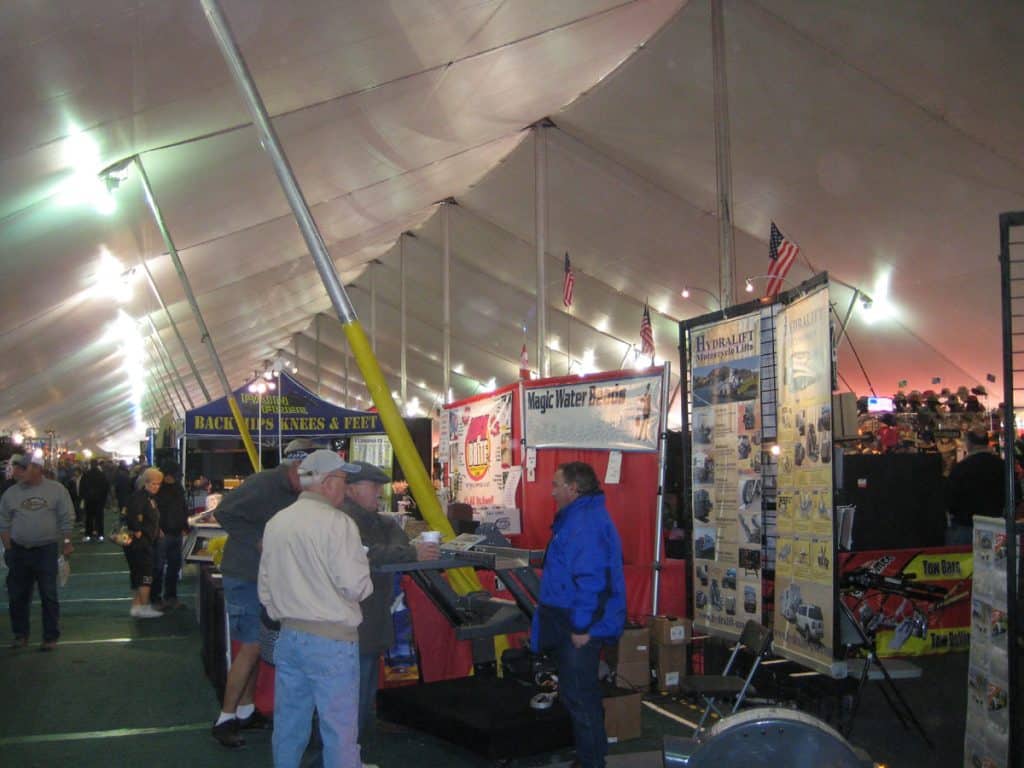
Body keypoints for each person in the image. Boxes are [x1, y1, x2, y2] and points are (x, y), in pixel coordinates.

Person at [258, 450, 372, 768]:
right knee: (339, 731)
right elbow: (356, 586)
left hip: (290, 636)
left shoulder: (277, 522)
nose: (346, 488)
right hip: (332, 641)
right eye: (344, 480)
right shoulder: (339, 524)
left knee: (289, 725)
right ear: (328, 482)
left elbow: (265, 587)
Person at [210, 438, 312, 749]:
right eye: (308, 475)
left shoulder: (295, 492)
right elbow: (225, 511)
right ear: (295, 466)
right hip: (244, 575)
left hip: (266, 577)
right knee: (253, 645)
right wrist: (257, 539)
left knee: (256, 644)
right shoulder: (264, 483)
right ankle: (225, 719)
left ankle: (246, 709)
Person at [531, 461, 626, 768]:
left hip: (579, 624)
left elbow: (593, 581)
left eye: (557, 485)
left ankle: (591, 761)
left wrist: (583, 627)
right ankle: (589, 755)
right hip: (569, 618)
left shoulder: (584, 523)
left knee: (580, 696)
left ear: (573, 488)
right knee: (578, 694)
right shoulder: (578, 518)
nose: (552, 491)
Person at [341, 461, 440, 756]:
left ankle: (354, 744)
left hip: (370, 616)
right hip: (357, 616)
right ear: (352, 489)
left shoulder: (375, 519)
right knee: (355, 685)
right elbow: (366, 554)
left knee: (364, 680)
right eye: (374, 487)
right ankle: (347, 750)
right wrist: (409, 551)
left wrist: (403, 547)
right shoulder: (345, 519)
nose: (379, 494)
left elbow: (392, 541)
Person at [0, 453, 75, 650]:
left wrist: (67, 542)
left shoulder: (56, 490)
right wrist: (8, 548)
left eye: (22, 469)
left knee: (48, 594)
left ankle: (50, 637)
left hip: (46, 550)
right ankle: (20, 634)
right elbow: (4, 523)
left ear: (36, 469)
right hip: (18, 551)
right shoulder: (10, 494)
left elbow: (66, 518)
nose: (16, 472)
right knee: (17, 595)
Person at [945, 427, 1005, 545]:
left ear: (969, 444)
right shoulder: (1002, 466)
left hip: (965, 526)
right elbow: (1015, 495)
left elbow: (950, 498)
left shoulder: (961, 468)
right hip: (995, 525)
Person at [123, 468, 164, 619]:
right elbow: (132, 515)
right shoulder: (140, 497)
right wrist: (138, 531)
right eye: (153, 484)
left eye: (158, 484)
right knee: (145, 576)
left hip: (146, 541)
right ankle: (144, 607)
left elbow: (152, 517)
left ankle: (137, 606)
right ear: (145, 483)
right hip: (140, 544)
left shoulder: (149, 498)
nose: (156, 487)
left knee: (141, 575)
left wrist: (157, 530)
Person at [152, 463, 188, 610]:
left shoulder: (178, 488)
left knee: (174, 566)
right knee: (159, 568)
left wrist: (185, 526)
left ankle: (169, 597)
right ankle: (157, 599)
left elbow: (183, 508)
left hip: (176, 532)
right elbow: (153, 511)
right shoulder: (159, 490)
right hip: (163, 534)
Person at [79, 458, 109, 542]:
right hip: (99, 500)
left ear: (90, 464)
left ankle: (88, 535)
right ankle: (100, 535)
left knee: (89, 518)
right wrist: (104, 500)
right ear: (97, 464)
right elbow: (106, 488)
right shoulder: (102, 475)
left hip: (89, 500)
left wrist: (83, 497)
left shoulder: (86, 474)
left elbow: (82, 488)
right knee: (99, 518)